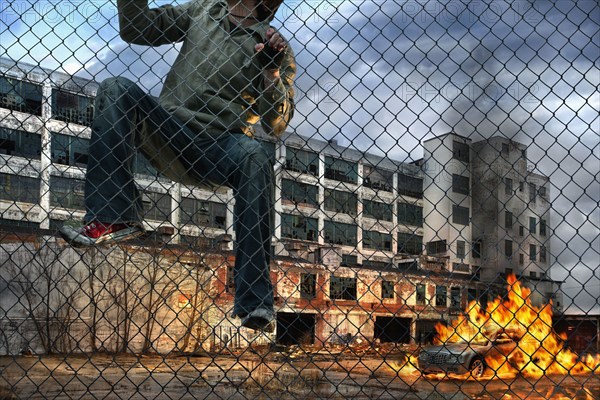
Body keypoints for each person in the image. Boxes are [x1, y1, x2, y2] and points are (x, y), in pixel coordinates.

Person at [59, 0, 296, 332]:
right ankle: (113, 217)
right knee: (116, 88)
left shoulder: (272, 43)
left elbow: (276, 123)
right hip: (170, 130)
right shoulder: (204, 10)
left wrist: (270, 71)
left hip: (221, 145)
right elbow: (137, 28)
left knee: (256, 154)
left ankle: (255, 300)